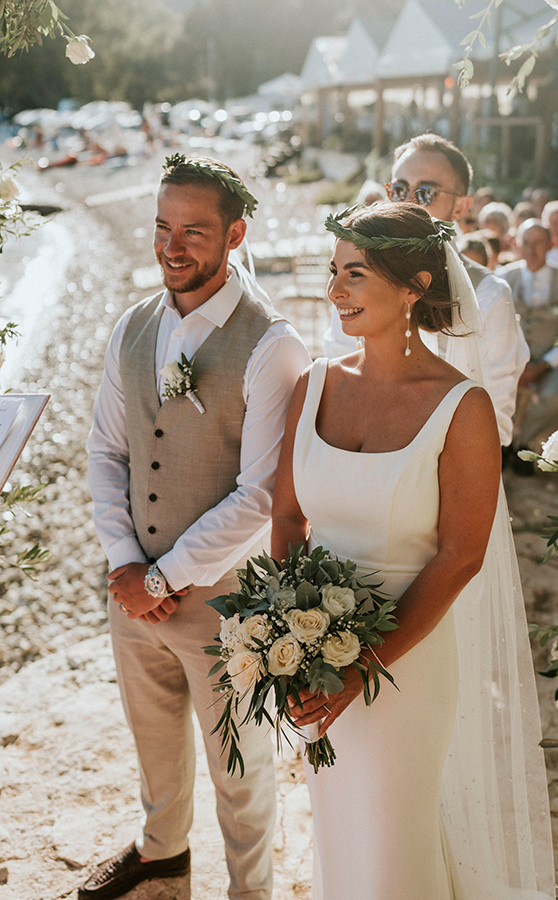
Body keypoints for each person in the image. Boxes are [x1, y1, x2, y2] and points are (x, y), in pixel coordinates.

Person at [272, 202, 554, 900]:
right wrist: (288, 634)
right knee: (342, 841)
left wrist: (356, 668)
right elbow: (286, 517)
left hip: (406, 665)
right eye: (333, 272)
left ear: (414, 286)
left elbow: (460, 555)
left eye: (355, 274)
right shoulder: (313, 386)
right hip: (315, 657)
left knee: (396, 851)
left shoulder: (463, 408)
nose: (336, 290)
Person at [83, 154, 310, 900]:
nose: (172, 246)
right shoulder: (132, 327)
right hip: (132, 590)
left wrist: (162, 577)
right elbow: (107, 449)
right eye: (162, 227)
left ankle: (251, 890)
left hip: (222, 605)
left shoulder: (271, 344)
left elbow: (261, 493)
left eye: (193, 231)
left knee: (238, 764)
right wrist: (124, 561)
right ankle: (162, 857)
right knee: (154, 744)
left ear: (234, 234)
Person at [322, 133, 529, 449]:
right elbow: (337, 375)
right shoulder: (354, 283)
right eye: (399, 189)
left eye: (426, 191)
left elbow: (496, 424)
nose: (407, 202)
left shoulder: (488, 295)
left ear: (461, 207)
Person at [497, 218, 558, 462]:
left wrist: (542, 365)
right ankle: (500, 443)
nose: (531, 249)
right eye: (526, 242)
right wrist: (515, 362)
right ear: (516, 244)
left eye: (538, 243)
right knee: (493, 390)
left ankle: (522, 444)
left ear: (552, 244)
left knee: (556, 397)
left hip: (550, 359)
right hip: (510, 357)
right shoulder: (502, 277)